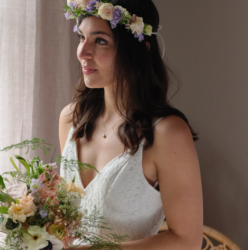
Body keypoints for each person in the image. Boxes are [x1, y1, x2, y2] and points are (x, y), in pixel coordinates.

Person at [58, 0, 203, 249]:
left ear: (139, 49)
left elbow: (186, 240)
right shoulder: (72, 118)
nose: (82, 52)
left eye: (100, 40)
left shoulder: (167, 133)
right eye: (82, 37)